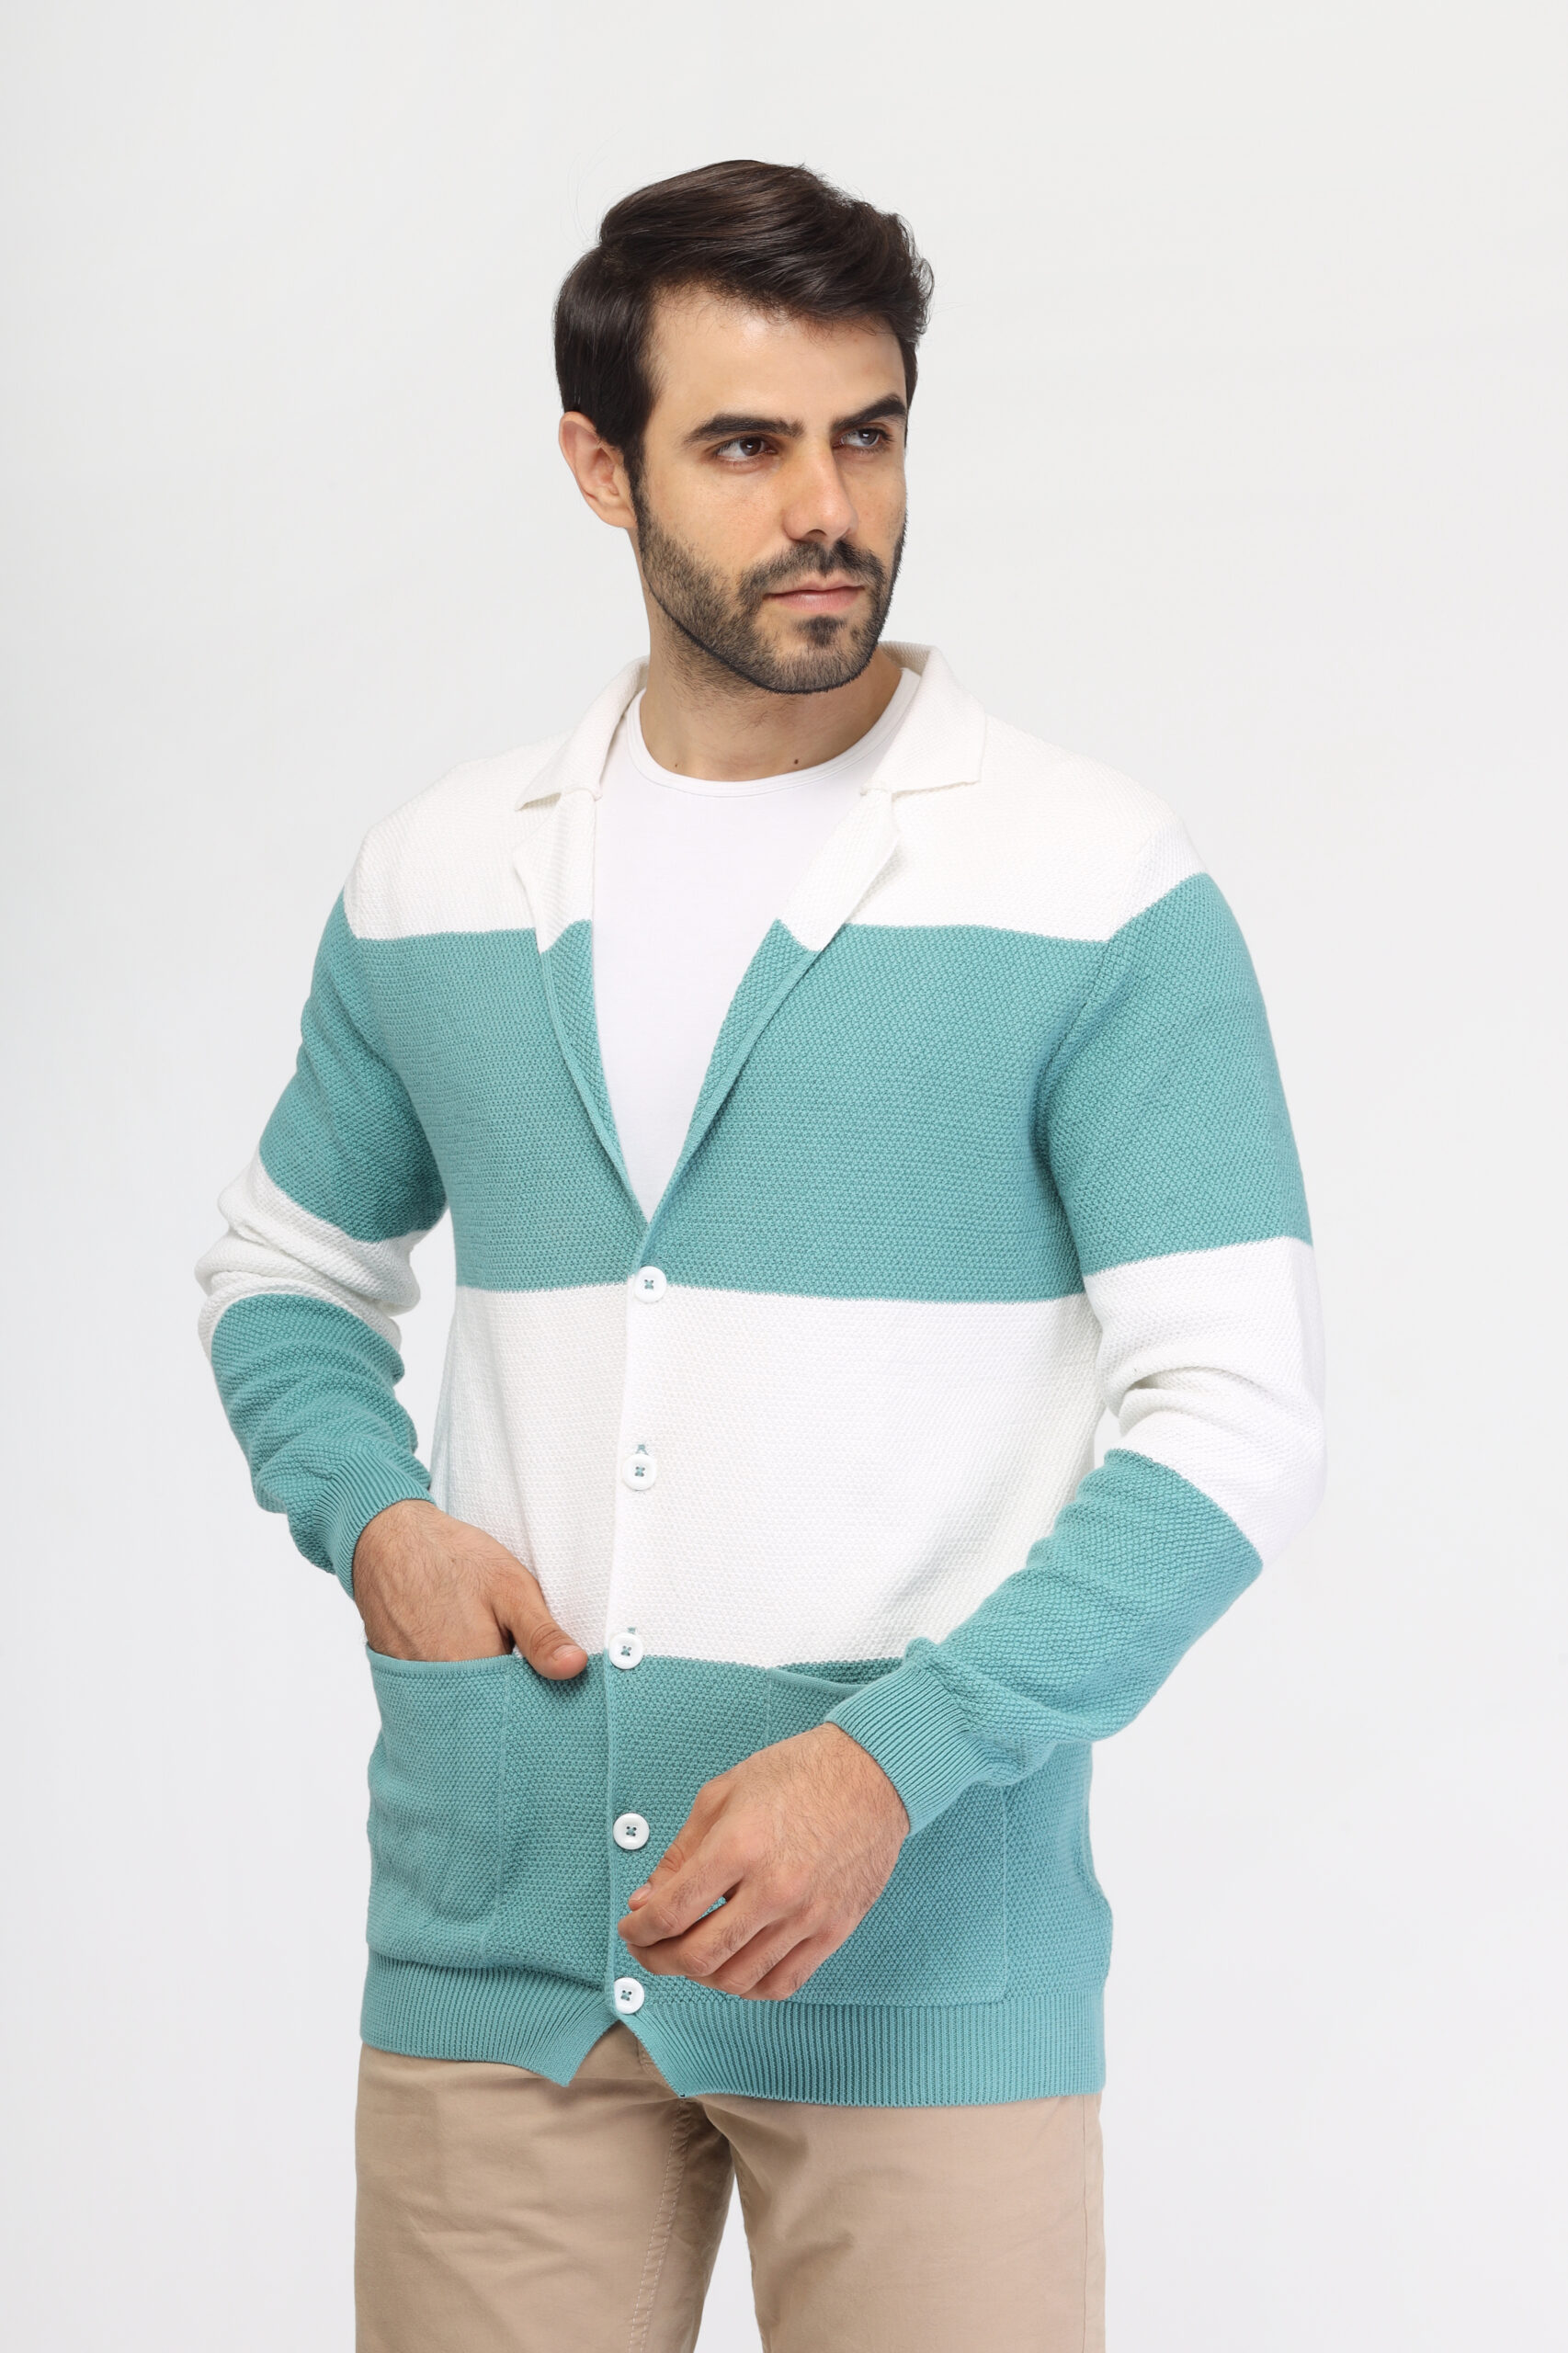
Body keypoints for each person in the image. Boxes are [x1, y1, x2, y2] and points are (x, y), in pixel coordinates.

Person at [198, 158, 1325, 2353]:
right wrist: (378, 1524)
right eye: (744, 444)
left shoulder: (1093, 879)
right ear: (597, 465)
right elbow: (282, 1268)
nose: (829, 508)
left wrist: (889, 1761)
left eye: (867, 432)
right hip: (505, 1946)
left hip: (923, 1954)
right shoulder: (440, 875)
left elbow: (1237, 1416)